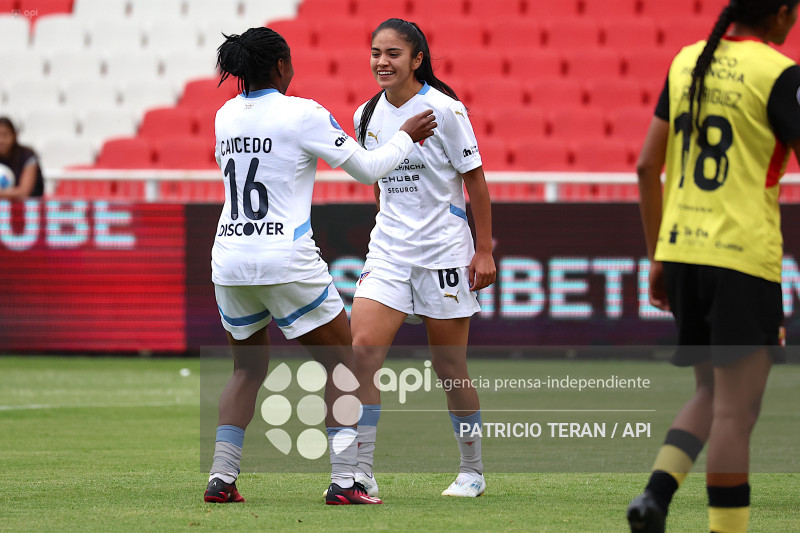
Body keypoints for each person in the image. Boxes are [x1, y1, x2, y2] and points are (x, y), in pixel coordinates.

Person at [204, 26, 437, 506]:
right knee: (344, 368)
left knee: (246, 369)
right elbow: (369, 169)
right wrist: (405, 137)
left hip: (229, 258)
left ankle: (221, 478)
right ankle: (346, 480)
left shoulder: (224, 115)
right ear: (283, 66)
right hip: (286, 258)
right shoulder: (302, 112)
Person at [627, 1, 800, 531]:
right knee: (735, 412)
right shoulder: (779, 73)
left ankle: (654, 497)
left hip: (682, 253)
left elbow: (645, 165)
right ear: (778, 15)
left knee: (711, 393)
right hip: (742, 259)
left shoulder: (686, 61)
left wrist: (658, 256)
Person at [349, 18, 496, 498]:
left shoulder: (446, 110)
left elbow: (475, 183)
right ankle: (360, 471)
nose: (381, 62)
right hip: (388, 253)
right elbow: (376, 179)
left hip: (443, 254)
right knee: (362, 356)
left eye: (392, 53)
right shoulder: (365, 115)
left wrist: (485, 249)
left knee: (450, 370)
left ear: (416, 60)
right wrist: (387, 227)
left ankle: (472, 470)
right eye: (375, 53)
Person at [0, 117, 45, 200]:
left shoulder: (27, 156)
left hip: (29, 208)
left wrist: (3, 194)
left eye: (5, 135)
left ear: (14, 135)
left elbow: (24, 192)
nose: (1, 141)